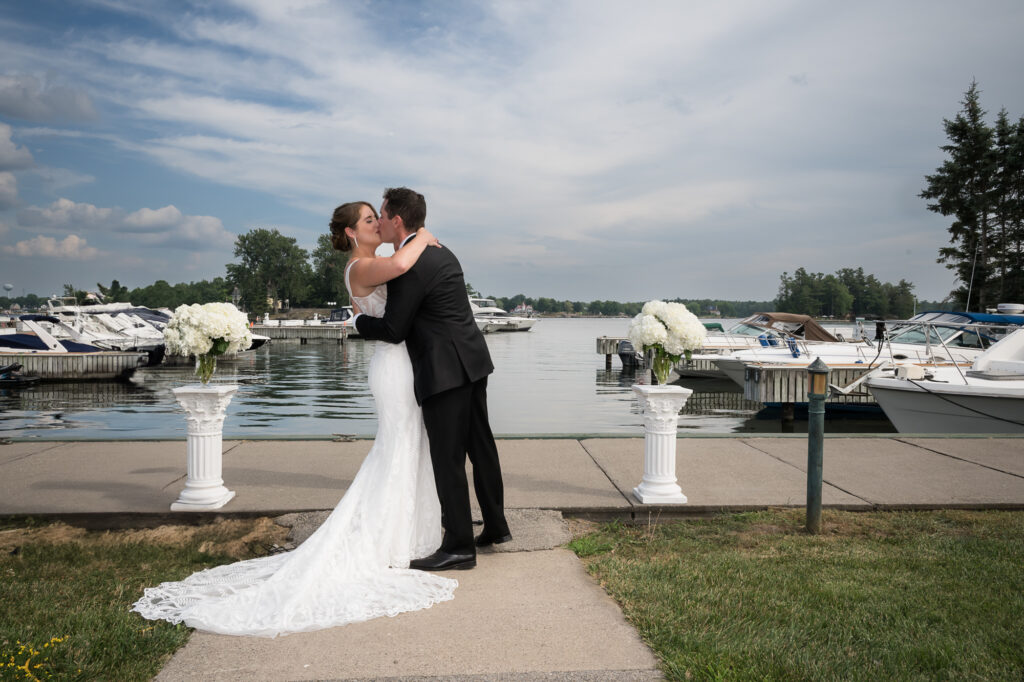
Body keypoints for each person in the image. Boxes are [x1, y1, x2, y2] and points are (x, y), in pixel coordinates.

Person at [130, 201, 454, 637]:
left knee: (412, 447)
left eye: (378, 217)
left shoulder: (373, 261)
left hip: (404, 364)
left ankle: (416, 534)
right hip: (394, 369)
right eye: (368, 220)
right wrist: (422, 238)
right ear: (352, 233)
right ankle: (393, 540)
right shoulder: (361, 267)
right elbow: (402, 262)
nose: (377, 223)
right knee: (398, 448)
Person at [355, 187, 511, 572]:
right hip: (474, 362)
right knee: (482, 447)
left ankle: (459, 545)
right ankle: (495, 526)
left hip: (444, 372)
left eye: (382, 214)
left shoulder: (410, 266)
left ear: (397, 220)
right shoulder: (442, 251)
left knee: (447, 458)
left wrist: (358, 322)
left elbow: (394, 329)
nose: (379, 220)